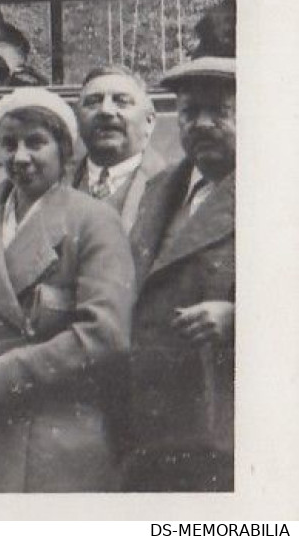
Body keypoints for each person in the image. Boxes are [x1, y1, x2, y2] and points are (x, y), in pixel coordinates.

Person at [0, 88, 134, 492]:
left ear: (64, 150)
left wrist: (2, 376)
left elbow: (104, 333)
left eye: (36, 142)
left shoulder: (93, 221)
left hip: (51, 441)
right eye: (8, 144)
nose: (20, 157)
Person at [124, 56, 236, 492]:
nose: (202, 124)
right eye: (190, 112)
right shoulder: (159, 189)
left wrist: (237, 318)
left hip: (223, 428)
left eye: (220, 112)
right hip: (149, 422)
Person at [72, 64, 167, 236]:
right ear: (77, 119)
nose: (106, 111)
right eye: (93, 102)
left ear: (149, 121)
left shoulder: (173, 186)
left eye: (122, 101)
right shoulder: (54, 184)